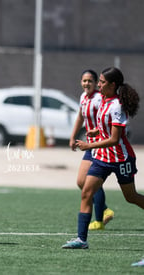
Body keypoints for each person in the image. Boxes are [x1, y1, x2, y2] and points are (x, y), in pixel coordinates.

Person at [62, 67, 143, 249]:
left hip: (121, 158)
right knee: (86, 192)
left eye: (102, 82)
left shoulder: (116, 105)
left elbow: (115, 139)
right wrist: (96, 131)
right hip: (102, 158)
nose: (99, 84)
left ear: (112, 85)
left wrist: (88, 145)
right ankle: (81, 240)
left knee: (130, 197)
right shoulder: (104, 100)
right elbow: (107, 127)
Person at [69, 69, 114, 230]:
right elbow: (80, 117)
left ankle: (100, 220)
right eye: (84, 80)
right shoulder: (83, 97)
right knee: (81, 181)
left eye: (90, 81)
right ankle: (105, 210)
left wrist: (99, 132)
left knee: (91, 183)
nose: (86, 83)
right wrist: (73, 137)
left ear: (96, 83)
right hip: (89, 145)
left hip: (100, 145)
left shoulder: (99, 98)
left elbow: (107, 118)